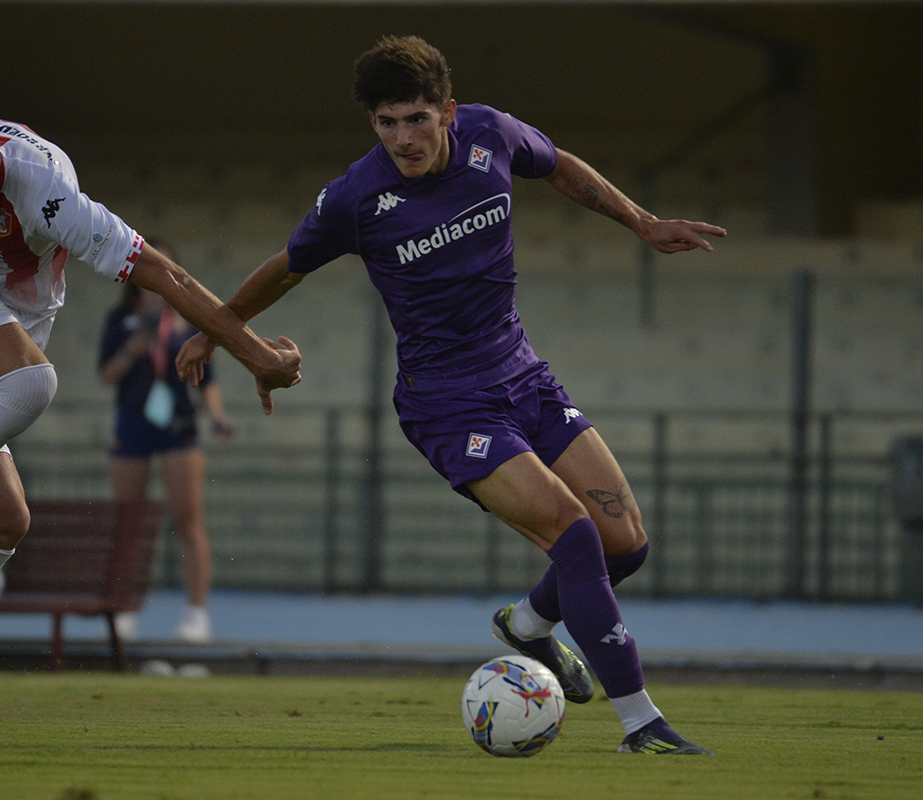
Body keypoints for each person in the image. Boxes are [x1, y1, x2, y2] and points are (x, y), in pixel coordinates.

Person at [177, 35, 725, 755]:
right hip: (447, 406)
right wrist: (223, 331)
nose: (402, 137)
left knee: (626, 547)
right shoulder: (356, 197)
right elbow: (287, 265)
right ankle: (640, 724)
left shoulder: (490, 135)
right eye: (386, 123)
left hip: (525, 377)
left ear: (448, 112)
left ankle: (527, 628)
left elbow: (559, 168)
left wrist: (644, 223)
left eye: (415, 119)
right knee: (576, 534)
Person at [0, 96, 301, 731]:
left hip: (20, 304)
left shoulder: (49, 194)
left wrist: (255, 353)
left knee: (6, 520)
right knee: (32, 381)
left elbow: (167, 277)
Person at [98, 238, 233, 643]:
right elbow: (106, 375)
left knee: (187, 520)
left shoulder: (190, 322)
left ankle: (196, 614)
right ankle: (122, 610)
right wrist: (132, 351)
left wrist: (218, 417)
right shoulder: (120, 318)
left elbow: (207, 382)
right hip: (133, 423)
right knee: (129, 521)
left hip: (179, 427)